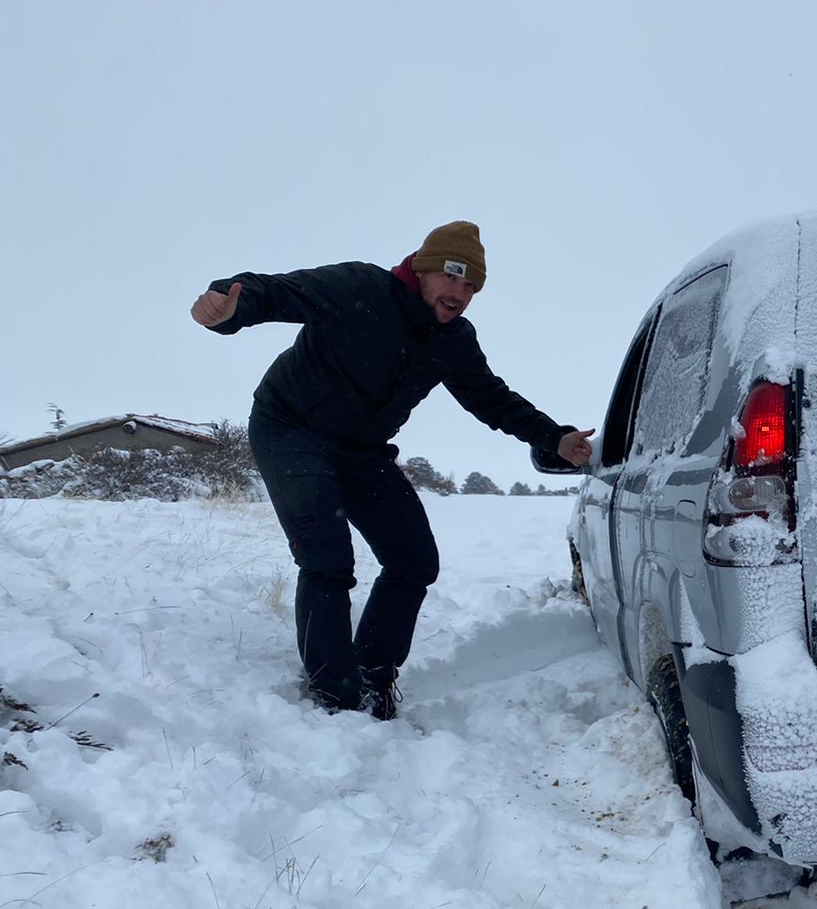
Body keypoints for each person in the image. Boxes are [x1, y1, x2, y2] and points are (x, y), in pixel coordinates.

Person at [191, 221, 594, 718]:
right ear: (421, 269)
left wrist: (554, 437)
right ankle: (334, 696)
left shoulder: (453, 339)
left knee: (414, 559)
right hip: (291, 428)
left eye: (472, 285)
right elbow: (277, 292)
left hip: (362, 450)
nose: (460, 293)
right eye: (452, 276)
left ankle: (372, 672)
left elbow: (491, 398)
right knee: (326, 557)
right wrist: (229, 306)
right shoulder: (358, 287)